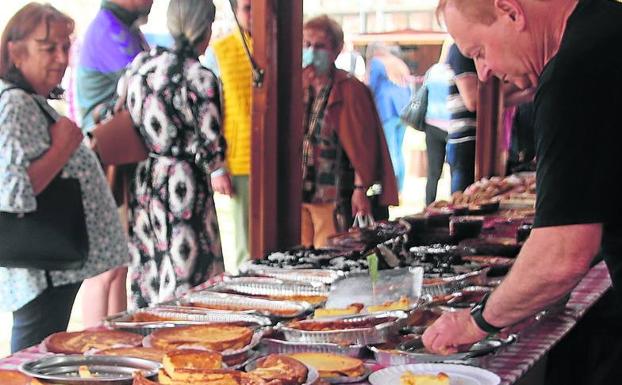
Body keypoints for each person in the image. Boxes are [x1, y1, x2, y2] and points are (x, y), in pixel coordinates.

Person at [422, 0, 622, 369]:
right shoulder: (608, 25)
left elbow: (561, 256)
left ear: (511, 11)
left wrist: (476, 321)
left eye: (479, 53)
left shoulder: (575, 70)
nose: (483, 73)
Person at [0, 3, 127, 352]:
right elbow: (13, 192)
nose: (60, 57)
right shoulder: (15, 105)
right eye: (48, 47)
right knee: (32, 362)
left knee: (44, 359)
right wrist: (62, 147)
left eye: (65, 46)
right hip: (42, 271)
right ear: (15, 51)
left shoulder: (29, 101)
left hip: (52, 268)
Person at [115, 0, 225, 308]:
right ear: (206, 28)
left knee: (149, 266)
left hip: (144, 183)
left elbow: (118, 116)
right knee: (189, 273)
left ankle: (150, 341)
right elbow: (212, 151)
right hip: (184, 186)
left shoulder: (138, 67)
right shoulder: (199, 77)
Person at [75, 0, 153, 325]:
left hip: (117, 162)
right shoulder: (109, 30)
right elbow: (144, 78)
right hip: (102, 162)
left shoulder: (125, 27)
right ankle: (94, 347)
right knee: (104, 269)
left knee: (119, 265)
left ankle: (114, 344)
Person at [301, 15, 399, 248]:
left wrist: (360, 189)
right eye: (307, 45)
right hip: (301, 192)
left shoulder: (350, 89)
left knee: (329, 254)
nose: (312, 52)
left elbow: (362, 146)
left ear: (336, 50)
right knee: (301, 256)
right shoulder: (299, 85)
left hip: (333, 194)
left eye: (319, 46)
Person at [203, 0, 252, 273]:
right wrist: (218, 167)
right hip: (239, 159)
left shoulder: (280, 49)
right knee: (245, 242)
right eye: (247, 7)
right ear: (235, 11)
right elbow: (211, 114)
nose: (254, 14)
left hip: (276, 159)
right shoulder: (219, 52)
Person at [366, 43, 412, 193]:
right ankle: (400, 187)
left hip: (386, 110)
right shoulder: (399, 63)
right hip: (403, 110)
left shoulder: (377, 63)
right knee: (399, 150)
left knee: (389, 150)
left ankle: (390, 186)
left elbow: (371, 87)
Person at [444, 43, 478, 194]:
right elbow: (473, 101)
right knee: (462, 205)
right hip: (465, 139)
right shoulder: (460, 49)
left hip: (473, 138)